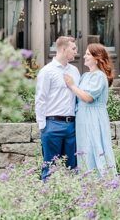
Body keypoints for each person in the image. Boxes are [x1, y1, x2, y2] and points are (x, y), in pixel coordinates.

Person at [65, 42, 117, 177]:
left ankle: (102, 181)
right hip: (82, 116)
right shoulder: (86, 75)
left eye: (88, 54)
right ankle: (87, 180)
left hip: (94, 117)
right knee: (85, 149)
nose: (84, 56)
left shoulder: (99, 76)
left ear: (97, 57)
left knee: (95, 146)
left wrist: (72, 86)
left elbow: (88, 97)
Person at [34, 35, 80, 180]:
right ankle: (46, 199)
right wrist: (43, 126)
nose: (76, 52)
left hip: (72, 126)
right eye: (73, 48)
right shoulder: (47, 71)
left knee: (73, 169)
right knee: (49, 168)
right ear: (63, 49)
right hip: (52, 125)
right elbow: (40, 99)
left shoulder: (75, 71)